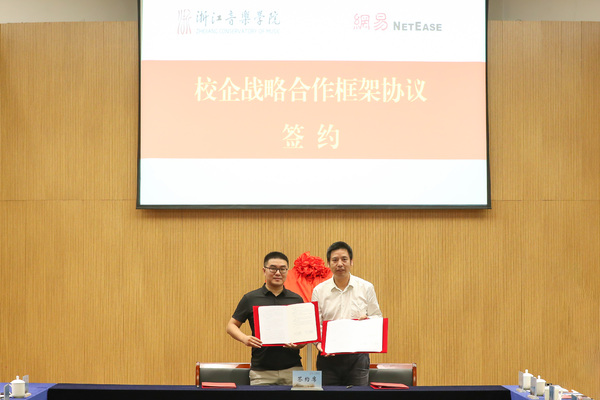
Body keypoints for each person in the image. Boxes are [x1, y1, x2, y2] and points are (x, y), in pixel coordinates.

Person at [227, 251, 305, 385]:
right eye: (273, 268)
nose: (278, 273)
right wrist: (245, 338)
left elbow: (303, 333)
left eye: (282, 269)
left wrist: (300, 344)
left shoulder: (296, 299)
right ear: (264, 271)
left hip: (293, 369)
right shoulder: (250, 298)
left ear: (287, 271)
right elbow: (231, 326)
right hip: (261, 372)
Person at [311, 241, 383, 386]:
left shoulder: (366, 287)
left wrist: (368, 320)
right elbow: (315, 324)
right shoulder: (319, 290)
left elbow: (377, 317)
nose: (340, 264)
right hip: (328, 357)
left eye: (344, 259)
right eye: (335, 260)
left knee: (357, 395)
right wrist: (319, 344)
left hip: (358, 357)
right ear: (328, 263)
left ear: (351, 261)